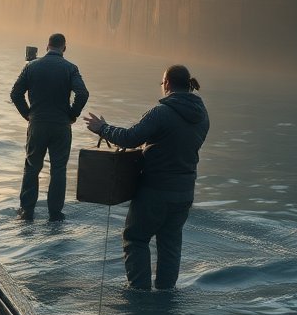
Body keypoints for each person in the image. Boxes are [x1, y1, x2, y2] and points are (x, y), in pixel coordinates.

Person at [84, 64, 209, 290]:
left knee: (136, 239)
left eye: (162, 83)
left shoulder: (161, 113)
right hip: (185, 192)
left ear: (168, 83)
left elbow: (131, 138)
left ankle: (140, 296)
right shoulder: (202, 116)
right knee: (170, 244)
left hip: (155, 190)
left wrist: (102, 128)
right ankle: (165, 292)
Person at [10, 33, 89, 222]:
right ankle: (55, 213)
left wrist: (28, 114)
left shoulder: (31, 67)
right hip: (61, 126)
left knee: (31, 167)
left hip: (37, 124)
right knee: (58, 169)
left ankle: (27, 211)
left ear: (47, 47)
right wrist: (72, 114)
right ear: (64, 48)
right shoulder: (70, 68)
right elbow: (82, 93)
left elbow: (15, 93)